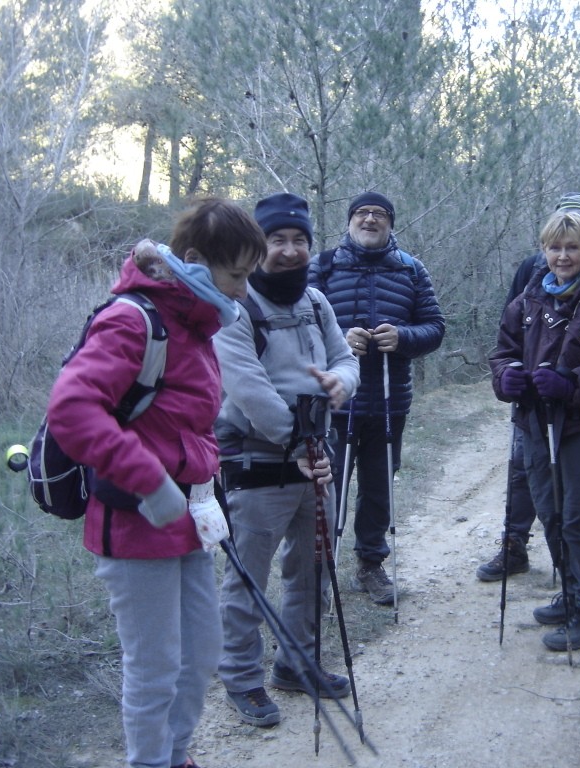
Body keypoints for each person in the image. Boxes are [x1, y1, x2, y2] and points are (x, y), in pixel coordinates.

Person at [47, 197, 264, 768]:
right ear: (195, 260)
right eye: (236, 275)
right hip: (136, 522)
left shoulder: (195, 326)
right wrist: (151, 482)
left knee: (200, 655)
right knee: (155, 667)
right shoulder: (133, 319)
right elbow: (72, 409)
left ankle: (177, 755)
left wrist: (204, 483)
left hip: (188, 520)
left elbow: (185, 425)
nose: (243, 291)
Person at [213, 192, 360, 727]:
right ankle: (243, 678)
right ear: (259, 246)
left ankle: (297, 664)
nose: (291, 251)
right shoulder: (236, 306)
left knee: (313, 566)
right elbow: (248, 389)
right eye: (279, 240)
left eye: (300, 240)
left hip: (316, 456)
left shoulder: (316, 303)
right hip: (260, 462)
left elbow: (345, 358)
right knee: (248, 576)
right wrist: (299, 446)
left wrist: (341, 382)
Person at [489, 209, 580, 651]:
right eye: (555, 247)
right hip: (534, 425)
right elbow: (501, 353)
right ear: (543, 251)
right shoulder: (526, 302)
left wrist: (571, 385)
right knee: (550, 514)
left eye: (572, 247)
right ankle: (572, 593)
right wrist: (506, 377)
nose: (562, 256)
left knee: (579, 519)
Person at [309, 192, 445, 605]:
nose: (370, 220)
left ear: (390, 223)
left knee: (379, 487)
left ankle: (370, 565)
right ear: (349, 221)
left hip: (388, 402)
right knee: (325, 486)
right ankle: (318, 566)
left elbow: (435, 328)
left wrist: (402, 338)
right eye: (362, 213)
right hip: (332, 401)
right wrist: (339, 337)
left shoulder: (411, 269)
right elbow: (299, 324)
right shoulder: (323, 265)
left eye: (379, 214)